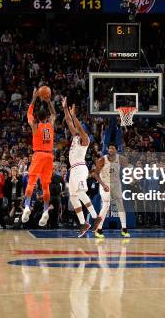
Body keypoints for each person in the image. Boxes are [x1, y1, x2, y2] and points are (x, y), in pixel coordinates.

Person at [62, 97, 99, 237]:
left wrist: (74, 116)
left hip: (80, 168)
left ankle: (95, 218)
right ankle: (84, 223)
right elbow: (68, 121)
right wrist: (65, 109)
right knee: (73, 196)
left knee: (81, 193)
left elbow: (75, 124)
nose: (77, 128)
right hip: (73, 170)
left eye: (81, 128)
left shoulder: (85, 139)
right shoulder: (75, 137)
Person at [22, 88, 56, 227]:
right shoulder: (50, 125)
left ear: (37, 117)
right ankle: (45, 211)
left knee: (31, 183)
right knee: (45, 186)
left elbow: (29, 113)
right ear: (46, 117)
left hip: (39, 154)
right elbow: (54, 113)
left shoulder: (35, 126)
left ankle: (26, 207)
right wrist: (48, 102)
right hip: (49, 156)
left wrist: (34, 98)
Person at [94, 143, 130, 238]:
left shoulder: (121, 159)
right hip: (105, 183)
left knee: (120, 205)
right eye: (109, 148)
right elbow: (96, 174)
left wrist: (130, 176)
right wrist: (103, 184)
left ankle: (124, 229)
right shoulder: (102, 159)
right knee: (106, 205)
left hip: (116, 183)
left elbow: (127, 169)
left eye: (112, 148)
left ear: (116, 150)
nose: (110, 149)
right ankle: (99, 229)